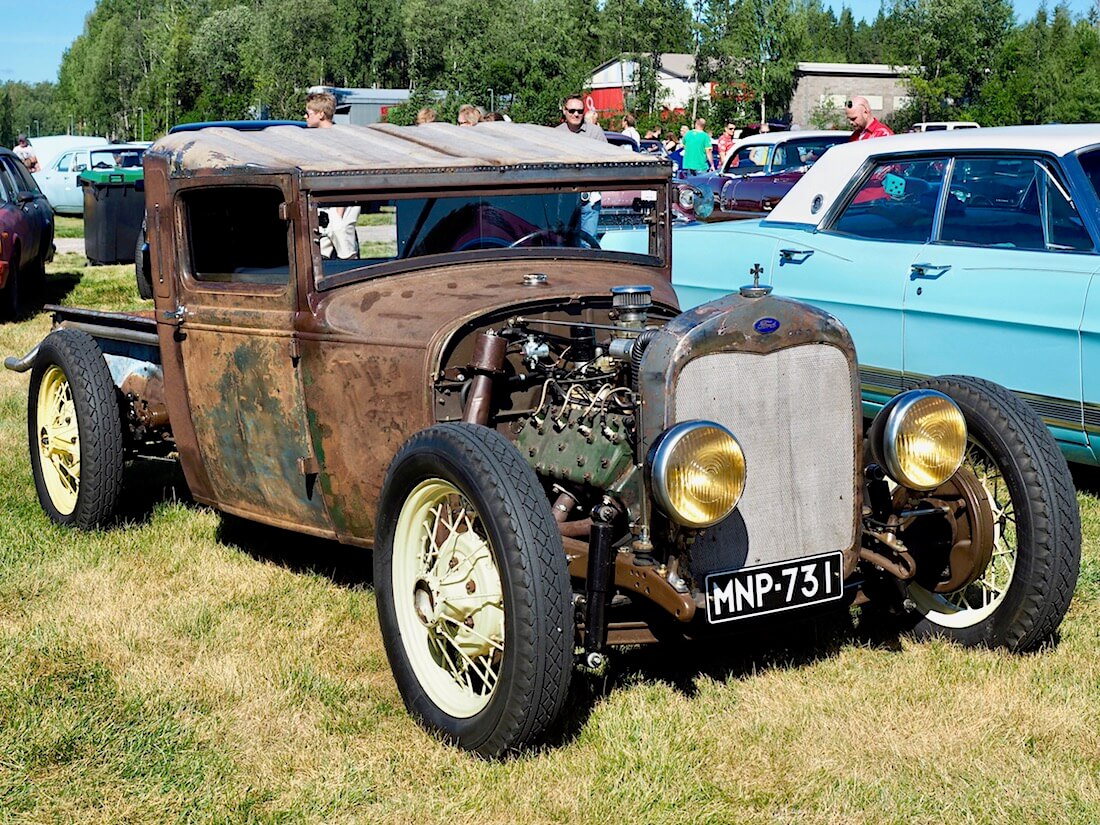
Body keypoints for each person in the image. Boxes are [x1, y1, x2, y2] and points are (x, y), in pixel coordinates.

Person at [305, 92, 359, 259]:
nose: (305, 116)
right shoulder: (312, 140)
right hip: (321, 203)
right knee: (320, 253)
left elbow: (346, 172)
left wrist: (340, 208)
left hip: (341, 202)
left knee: (345, 247)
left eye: (309, 113)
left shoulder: (340, 139)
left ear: (321, 114)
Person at [556, 94, 607, 238]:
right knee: (564, 240)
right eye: (572, 111)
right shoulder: (555, 134)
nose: (576, 114)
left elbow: (606, 161)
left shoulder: (595, 132)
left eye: (580, 111)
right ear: (564, 111)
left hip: (589, 196)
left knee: (588, 242)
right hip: (564, 197)